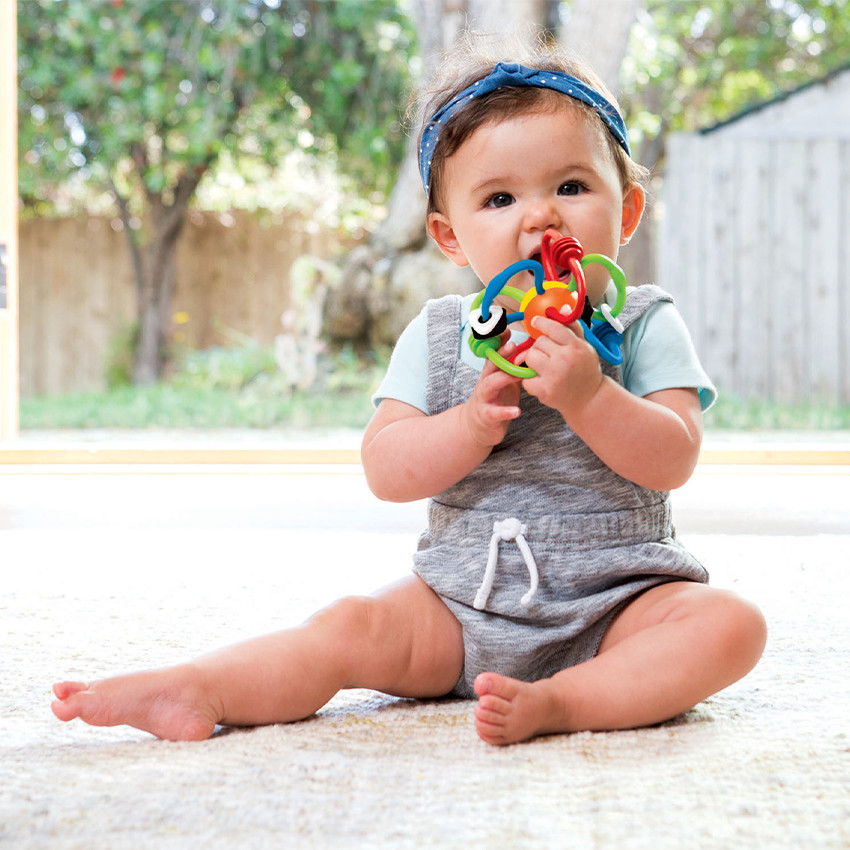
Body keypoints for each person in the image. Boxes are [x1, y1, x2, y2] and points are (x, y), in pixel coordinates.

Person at [52, 34, 766, 746]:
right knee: (347, 626)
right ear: (450, 236)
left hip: (619, 608)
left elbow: (673, 457)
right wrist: (468, 426)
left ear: (628, 210)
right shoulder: (439, 333)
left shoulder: (641, 319)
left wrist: (591, 396)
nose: (540, 217)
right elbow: (385, 468)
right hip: (461, 607)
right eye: (498, 198)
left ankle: (568, 701)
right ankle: (199, 687)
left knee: (730, 625)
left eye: (571, 187)